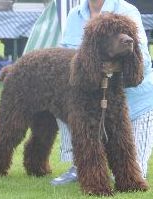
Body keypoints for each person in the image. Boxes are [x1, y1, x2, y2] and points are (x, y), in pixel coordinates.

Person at [51, 0, 153, 186]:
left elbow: (143, 63)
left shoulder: (127, 10)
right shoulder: (75, 14)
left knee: (131, 174)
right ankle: (84, 171)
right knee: (83, 129)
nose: (126, 39)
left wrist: (114, 67)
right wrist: (95, 69)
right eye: (115, 35)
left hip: (137, 104)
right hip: (91, 92)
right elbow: (68, 56)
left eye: (126, 36)